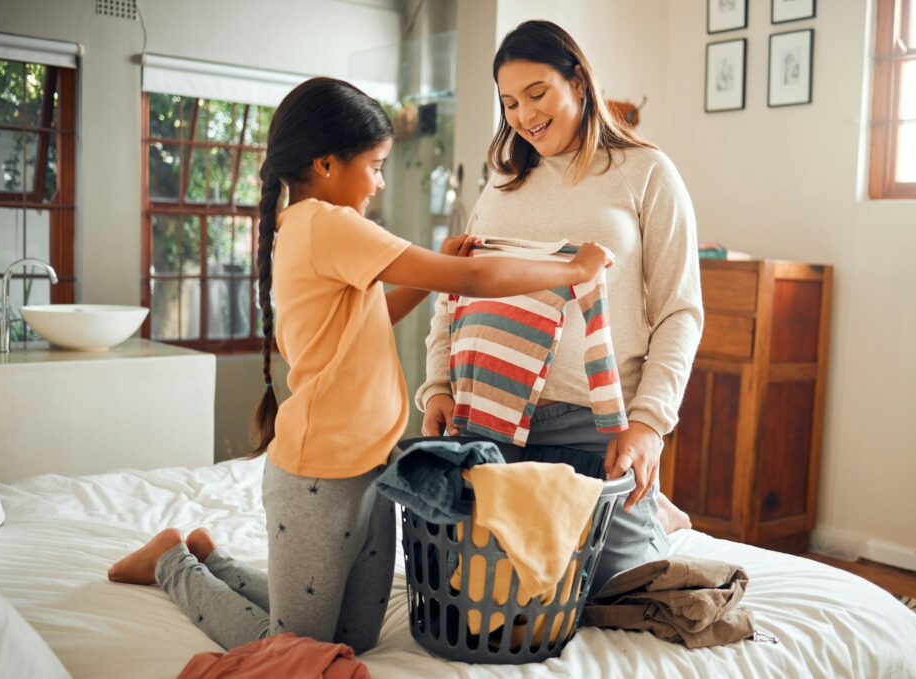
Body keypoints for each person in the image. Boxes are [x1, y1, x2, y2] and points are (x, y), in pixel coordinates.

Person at [107, 76, 614, 653]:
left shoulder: (313, 226)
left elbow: (370, 319)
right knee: (298, 648)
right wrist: (573, 271)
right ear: (325, 164)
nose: (377, 182)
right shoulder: (328, 224)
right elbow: (477, 279)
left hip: (372, 465)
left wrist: (428, 279)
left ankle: (211, 558)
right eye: (374, 166)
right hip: (318, 476)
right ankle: (172, 562)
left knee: (357, 640)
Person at [416, 20, 702, 591]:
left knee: (614, 589)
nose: (524, 115)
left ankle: (656, 516)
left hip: (592, 423)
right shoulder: (501, 185)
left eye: (537, 94)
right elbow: (458, 293)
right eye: (510, 102)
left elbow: (680, 311)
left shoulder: (646, 173)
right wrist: (438, 387)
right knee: (482, 588)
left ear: (577, 80)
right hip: (488, 418)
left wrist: (649, 424)